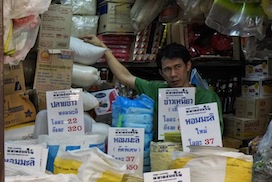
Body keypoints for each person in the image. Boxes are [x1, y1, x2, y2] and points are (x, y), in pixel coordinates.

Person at [83, 35, 223, 131]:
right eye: (167, 69)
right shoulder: (157, 90)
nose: (173, 74)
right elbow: (125, 77)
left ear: (188, 66)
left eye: (177, 67)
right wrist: (104, 49)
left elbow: (216, 134)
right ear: (161, 73)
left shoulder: (208, 98)